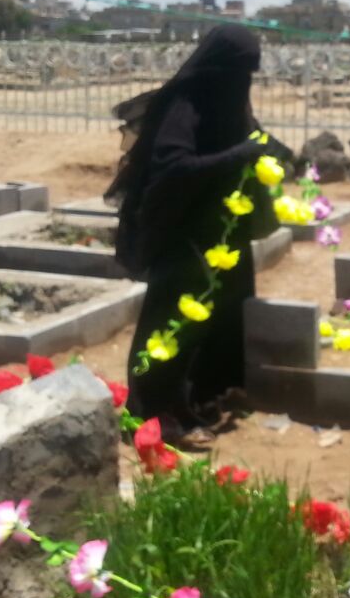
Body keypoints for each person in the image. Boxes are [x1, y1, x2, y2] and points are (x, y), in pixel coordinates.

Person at [105, 24, 273, 440]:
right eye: (239, 73)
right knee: (172, 322)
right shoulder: (185, 107)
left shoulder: (229, 104)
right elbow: (174, 168)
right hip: (184, 234)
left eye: (250, 74)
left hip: (223, 231)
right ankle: (154, 410)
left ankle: (205, 397)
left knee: (224, 316)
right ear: (219, 70)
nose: (243, 83)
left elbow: (242, 140)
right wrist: (240, 154)